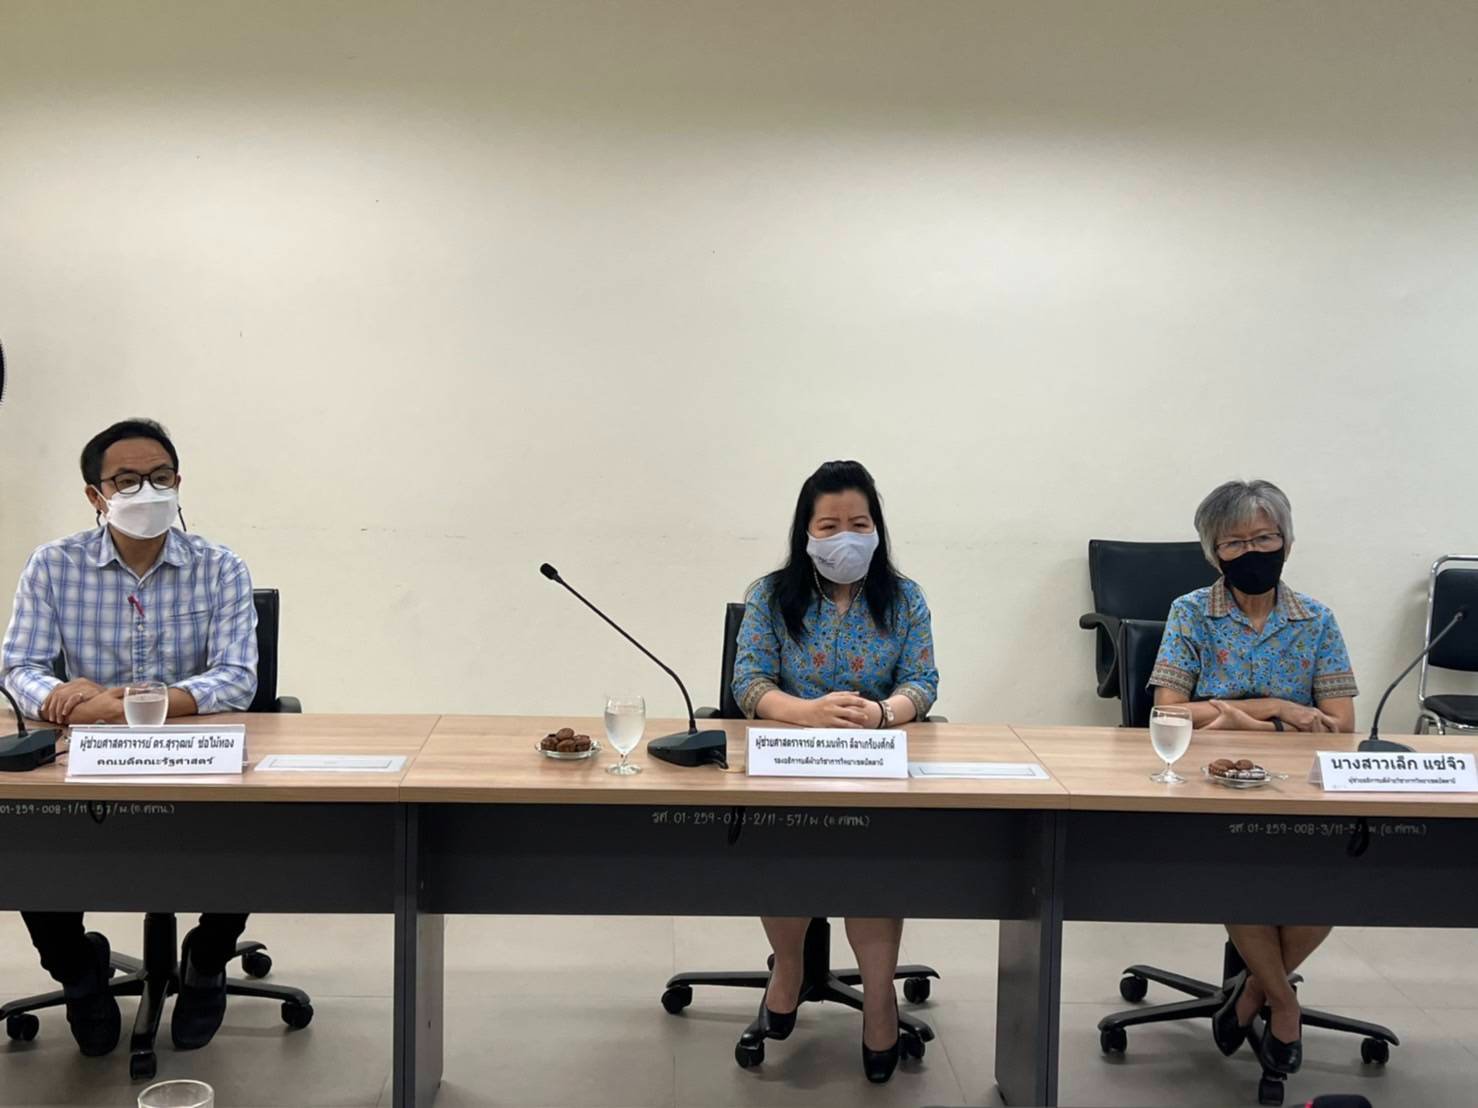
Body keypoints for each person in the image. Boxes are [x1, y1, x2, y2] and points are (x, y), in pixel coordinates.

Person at [0, 418, 258, 1058]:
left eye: (160, 476)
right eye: (127, 480)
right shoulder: (54, 565)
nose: (148, 490)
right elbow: (18, 667)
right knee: (26, 836)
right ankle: (76, 971)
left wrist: (130, 704)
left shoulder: (220, 566)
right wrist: (65, 700)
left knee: (258, 823)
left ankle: (207, 959)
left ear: (179, 482)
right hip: (83, 754)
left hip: (192, 751)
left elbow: (237, 677)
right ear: (96, 495)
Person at [731, 459, 939, 1084]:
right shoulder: (771, 596)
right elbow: (749, 683)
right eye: (830, 525)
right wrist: (808, 712)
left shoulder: (905, 598)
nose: (845, 536)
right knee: (783, 848)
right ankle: (790, 965)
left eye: (859, 523)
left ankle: (879, 998)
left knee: (873, 861)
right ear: (807, 532)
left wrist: (883, 713)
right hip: (792, 756)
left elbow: (922, 682)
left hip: (876, 759)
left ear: (877, 529)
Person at [1149, 478, 1357, 1077]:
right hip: (1216, 782)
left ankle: (1254, 992)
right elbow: (1168, 712)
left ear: (1286, 541)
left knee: (1337, 878)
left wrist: (1238, 717)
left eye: (1264, 538)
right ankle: (1284, 1005)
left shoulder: (1316, 619)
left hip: (1300, 786)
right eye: (1235, 543)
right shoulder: (1191, 612)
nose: (1252, 552)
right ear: (1214, 553)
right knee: (1238, 871)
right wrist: (1279, 709)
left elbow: (1340, 725)